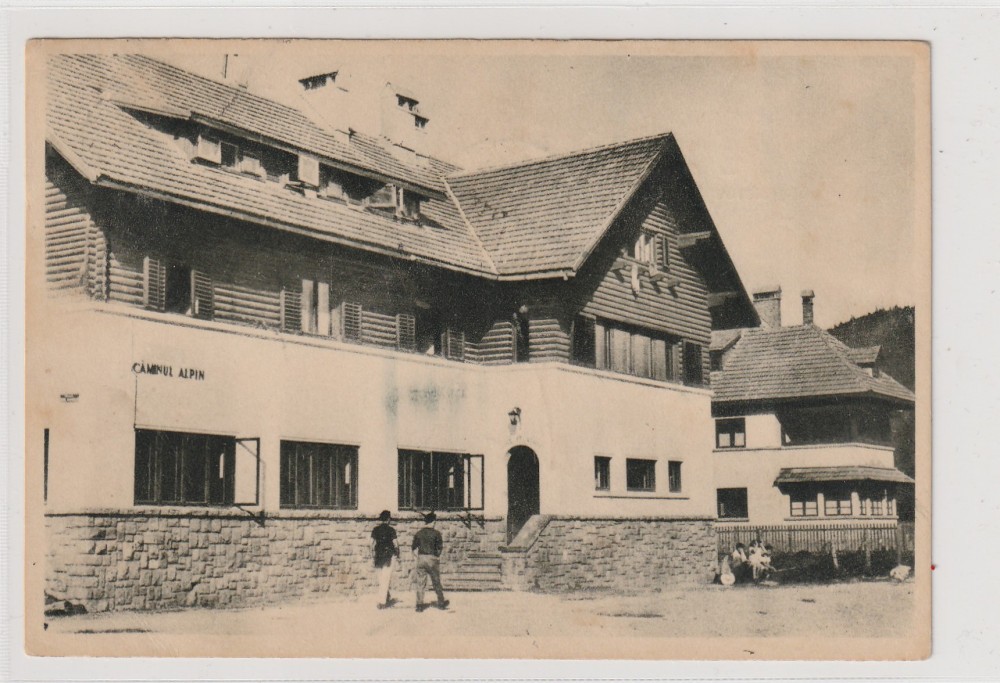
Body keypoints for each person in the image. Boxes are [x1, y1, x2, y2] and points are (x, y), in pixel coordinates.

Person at [411, 511, 449, 612]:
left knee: (420, 583)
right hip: (432, 558)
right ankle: (441, 602)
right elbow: (439, 548)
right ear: (433, 521)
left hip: (421, 558)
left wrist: (418, 557)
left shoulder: (418, 533)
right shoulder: (436, 533)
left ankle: (419, 605)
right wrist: (436, 557)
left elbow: (414, 548)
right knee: (436, 581)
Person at [370, 510, 399, 609]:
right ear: (388, 519)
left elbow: (370, 544)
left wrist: (372, 554)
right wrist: (397, 554)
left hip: (378, 556)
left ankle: (386, 596)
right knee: (385, 579)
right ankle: (382, 602)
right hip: (388, 556)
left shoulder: (375, 529)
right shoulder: (391, 530)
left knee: (381, 578)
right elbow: (396, 544)